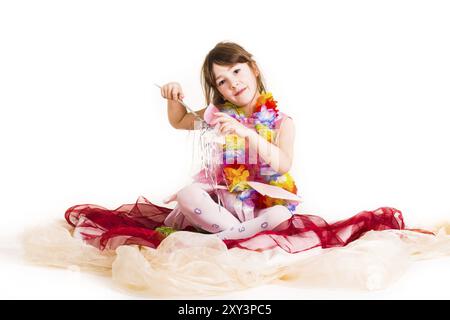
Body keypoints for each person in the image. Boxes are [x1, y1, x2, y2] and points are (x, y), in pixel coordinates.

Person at [64, 41, 406, 253]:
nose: (233, 83)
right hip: (221, 203)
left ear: (253, 68)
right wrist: (172, 97)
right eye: (222, 82)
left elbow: (283, 164)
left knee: (281, 215)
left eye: (237, 72)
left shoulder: (282, 122)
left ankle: (216, 242)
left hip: (260, 205)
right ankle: (233, 236)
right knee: (187, 193)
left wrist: (246, 133)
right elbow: (180, 121)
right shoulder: (217, 114)